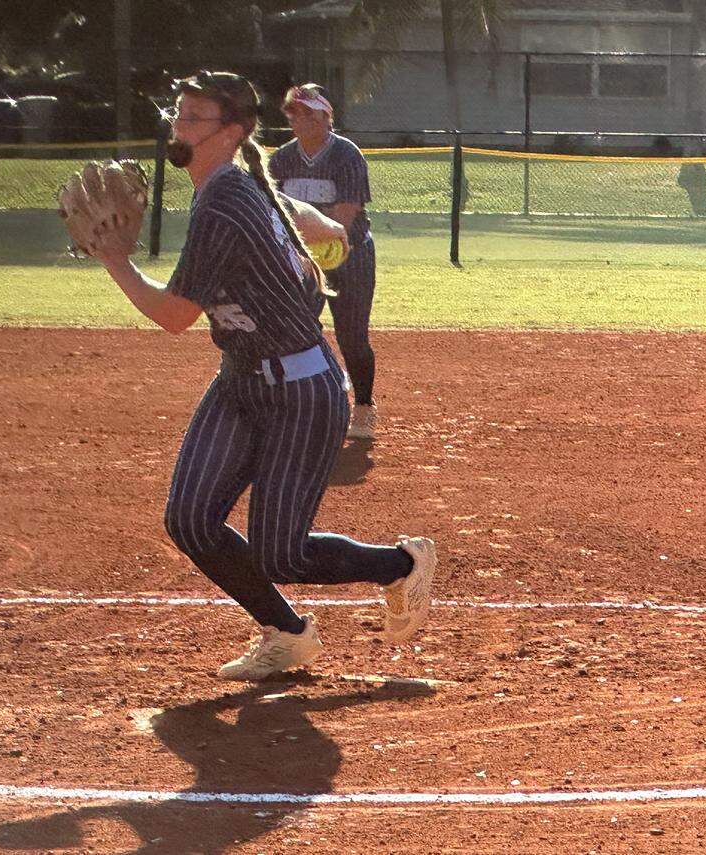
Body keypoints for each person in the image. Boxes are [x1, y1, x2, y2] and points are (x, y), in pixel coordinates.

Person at [62, 70, 437, 681]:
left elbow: (175, 316)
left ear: (232, 132)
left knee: (282, 554)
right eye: (176, 115)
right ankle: (287, 633)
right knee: (189, 519)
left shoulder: (223, 205)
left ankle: (399, 565)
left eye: (193, 118)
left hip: (300, 392)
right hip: (241, 380)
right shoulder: (237, 185)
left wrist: (115, 260)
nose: (177, 128)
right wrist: (325, 228)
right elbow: (290, 211)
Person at [268, 83, 379, 439]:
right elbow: (273, 214)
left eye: (304, 112)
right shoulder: (281, 159)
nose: (296, 119)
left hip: (350, 257)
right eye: (292, 112)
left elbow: (342, 222)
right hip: (300, 260)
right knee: (294, 334)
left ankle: (363, 406)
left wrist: (309, 228)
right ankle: (310, 400)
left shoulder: (346, 156)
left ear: (324, 117)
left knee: (352, 337)